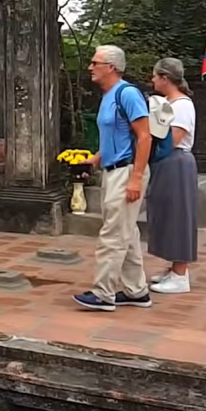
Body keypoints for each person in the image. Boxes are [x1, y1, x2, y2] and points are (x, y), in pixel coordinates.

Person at [73, 45, 153, 311]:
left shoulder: (127, 94)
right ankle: (136, 290)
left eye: (95, 63)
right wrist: (95, 160)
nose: (90, 67)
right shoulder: (108, 96)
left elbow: (144, 136)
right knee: (125, 232)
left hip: (127, 171)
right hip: (114, 169)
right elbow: (114, 136)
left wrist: (136, 178)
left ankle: (103, 293)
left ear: (111, 67)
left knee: (113, 235)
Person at [147, 57, 198, 295]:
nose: (152, 80)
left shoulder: (182, 105)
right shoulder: (167, 103)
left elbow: (173, 140)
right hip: (166, 162)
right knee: (166, 214)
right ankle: (175, 268)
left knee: (179, 216)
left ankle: (180, 274)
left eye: (156, 76)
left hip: (176, 161)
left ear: (165, 79)